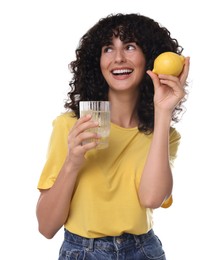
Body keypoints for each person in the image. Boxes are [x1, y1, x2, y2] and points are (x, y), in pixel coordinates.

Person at [36, 13, 190, 260]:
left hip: (144, 251)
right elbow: (46, 227)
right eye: (109, 48)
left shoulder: (166, 135)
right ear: (97, 61)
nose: (118, 58)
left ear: (149, 58)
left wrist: (163, 112)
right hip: (83, 252)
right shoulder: (71, 127)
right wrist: (72, 163)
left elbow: (151, 198)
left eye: (129, 46)